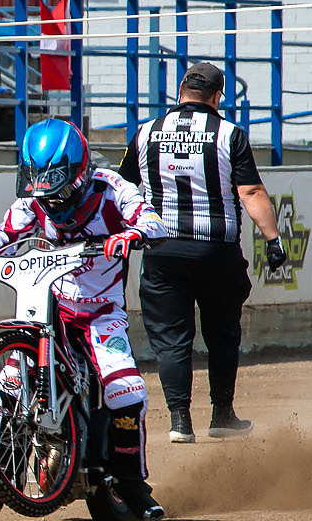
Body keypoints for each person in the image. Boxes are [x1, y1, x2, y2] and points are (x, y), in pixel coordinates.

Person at [0, 118, 171, 521]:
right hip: (50, 304)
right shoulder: (33, 200)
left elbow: (152, 221)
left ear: (79, 172)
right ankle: (4, 476)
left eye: (56, 187)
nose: (49, 200)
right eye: (39, 185)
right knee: (11, 379)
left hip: (101, 312)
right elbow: (3, 232)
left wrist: (132, 234)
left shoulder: (112, 189)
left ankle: (131, 482)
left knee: (124, 389)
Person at [117, 60, 289, 444]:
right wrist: (273, 238)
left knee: (171, 339)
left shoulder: (146, 133)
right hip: (216, 252)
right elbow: (251, 191)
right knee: (223, 333)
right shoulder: (229, 134)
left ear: (180, 92)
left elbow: (121, 190)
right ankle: (222, 414)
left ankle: (179, 420)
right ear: (216, 97)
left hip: (162, 249)